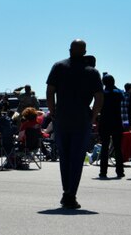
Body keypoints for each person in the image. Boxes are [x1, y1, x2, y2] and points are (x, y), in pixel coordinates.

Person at [46, 39, 103, 210]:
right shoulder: (92, 72)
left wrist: (53, 112)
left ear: (70, 50)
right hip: (81, 117)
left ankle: (67, 191)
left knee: (65, 156)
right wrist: (93, 116)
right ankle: (70, 193)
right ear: (84, 52)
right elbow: (99, 96)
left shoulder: (58, 66)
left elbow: (50, 91)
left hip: (62, 116)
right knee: (77, 157)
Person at [98, 74, 124, 178]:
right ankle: (120, 171)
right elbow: (121, 93)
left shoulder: (102, 93)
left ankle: (103, 171)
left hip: (105, 122)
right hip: (117, 122)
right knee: (118, 147)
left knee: (104, 147)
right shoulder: (118, 93)